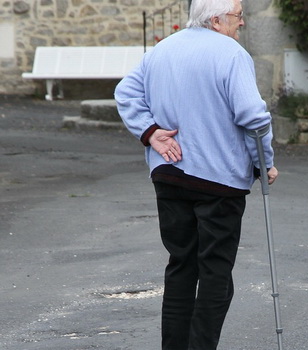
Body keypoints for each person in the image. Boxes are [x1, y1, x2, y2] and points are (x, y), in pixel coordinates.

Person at [114, 0, 278, 348]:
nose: (242, 23)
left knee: (181, 267)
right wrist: (264, 163)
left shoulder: (162, 49)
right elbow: (253, 116)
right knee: (216, 273)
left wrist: (150, 131)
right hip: (219, 181)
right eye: (237, 16)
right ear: (217, 20)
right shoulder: (231, 54)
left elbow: (125, 92)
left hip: (170, 174)